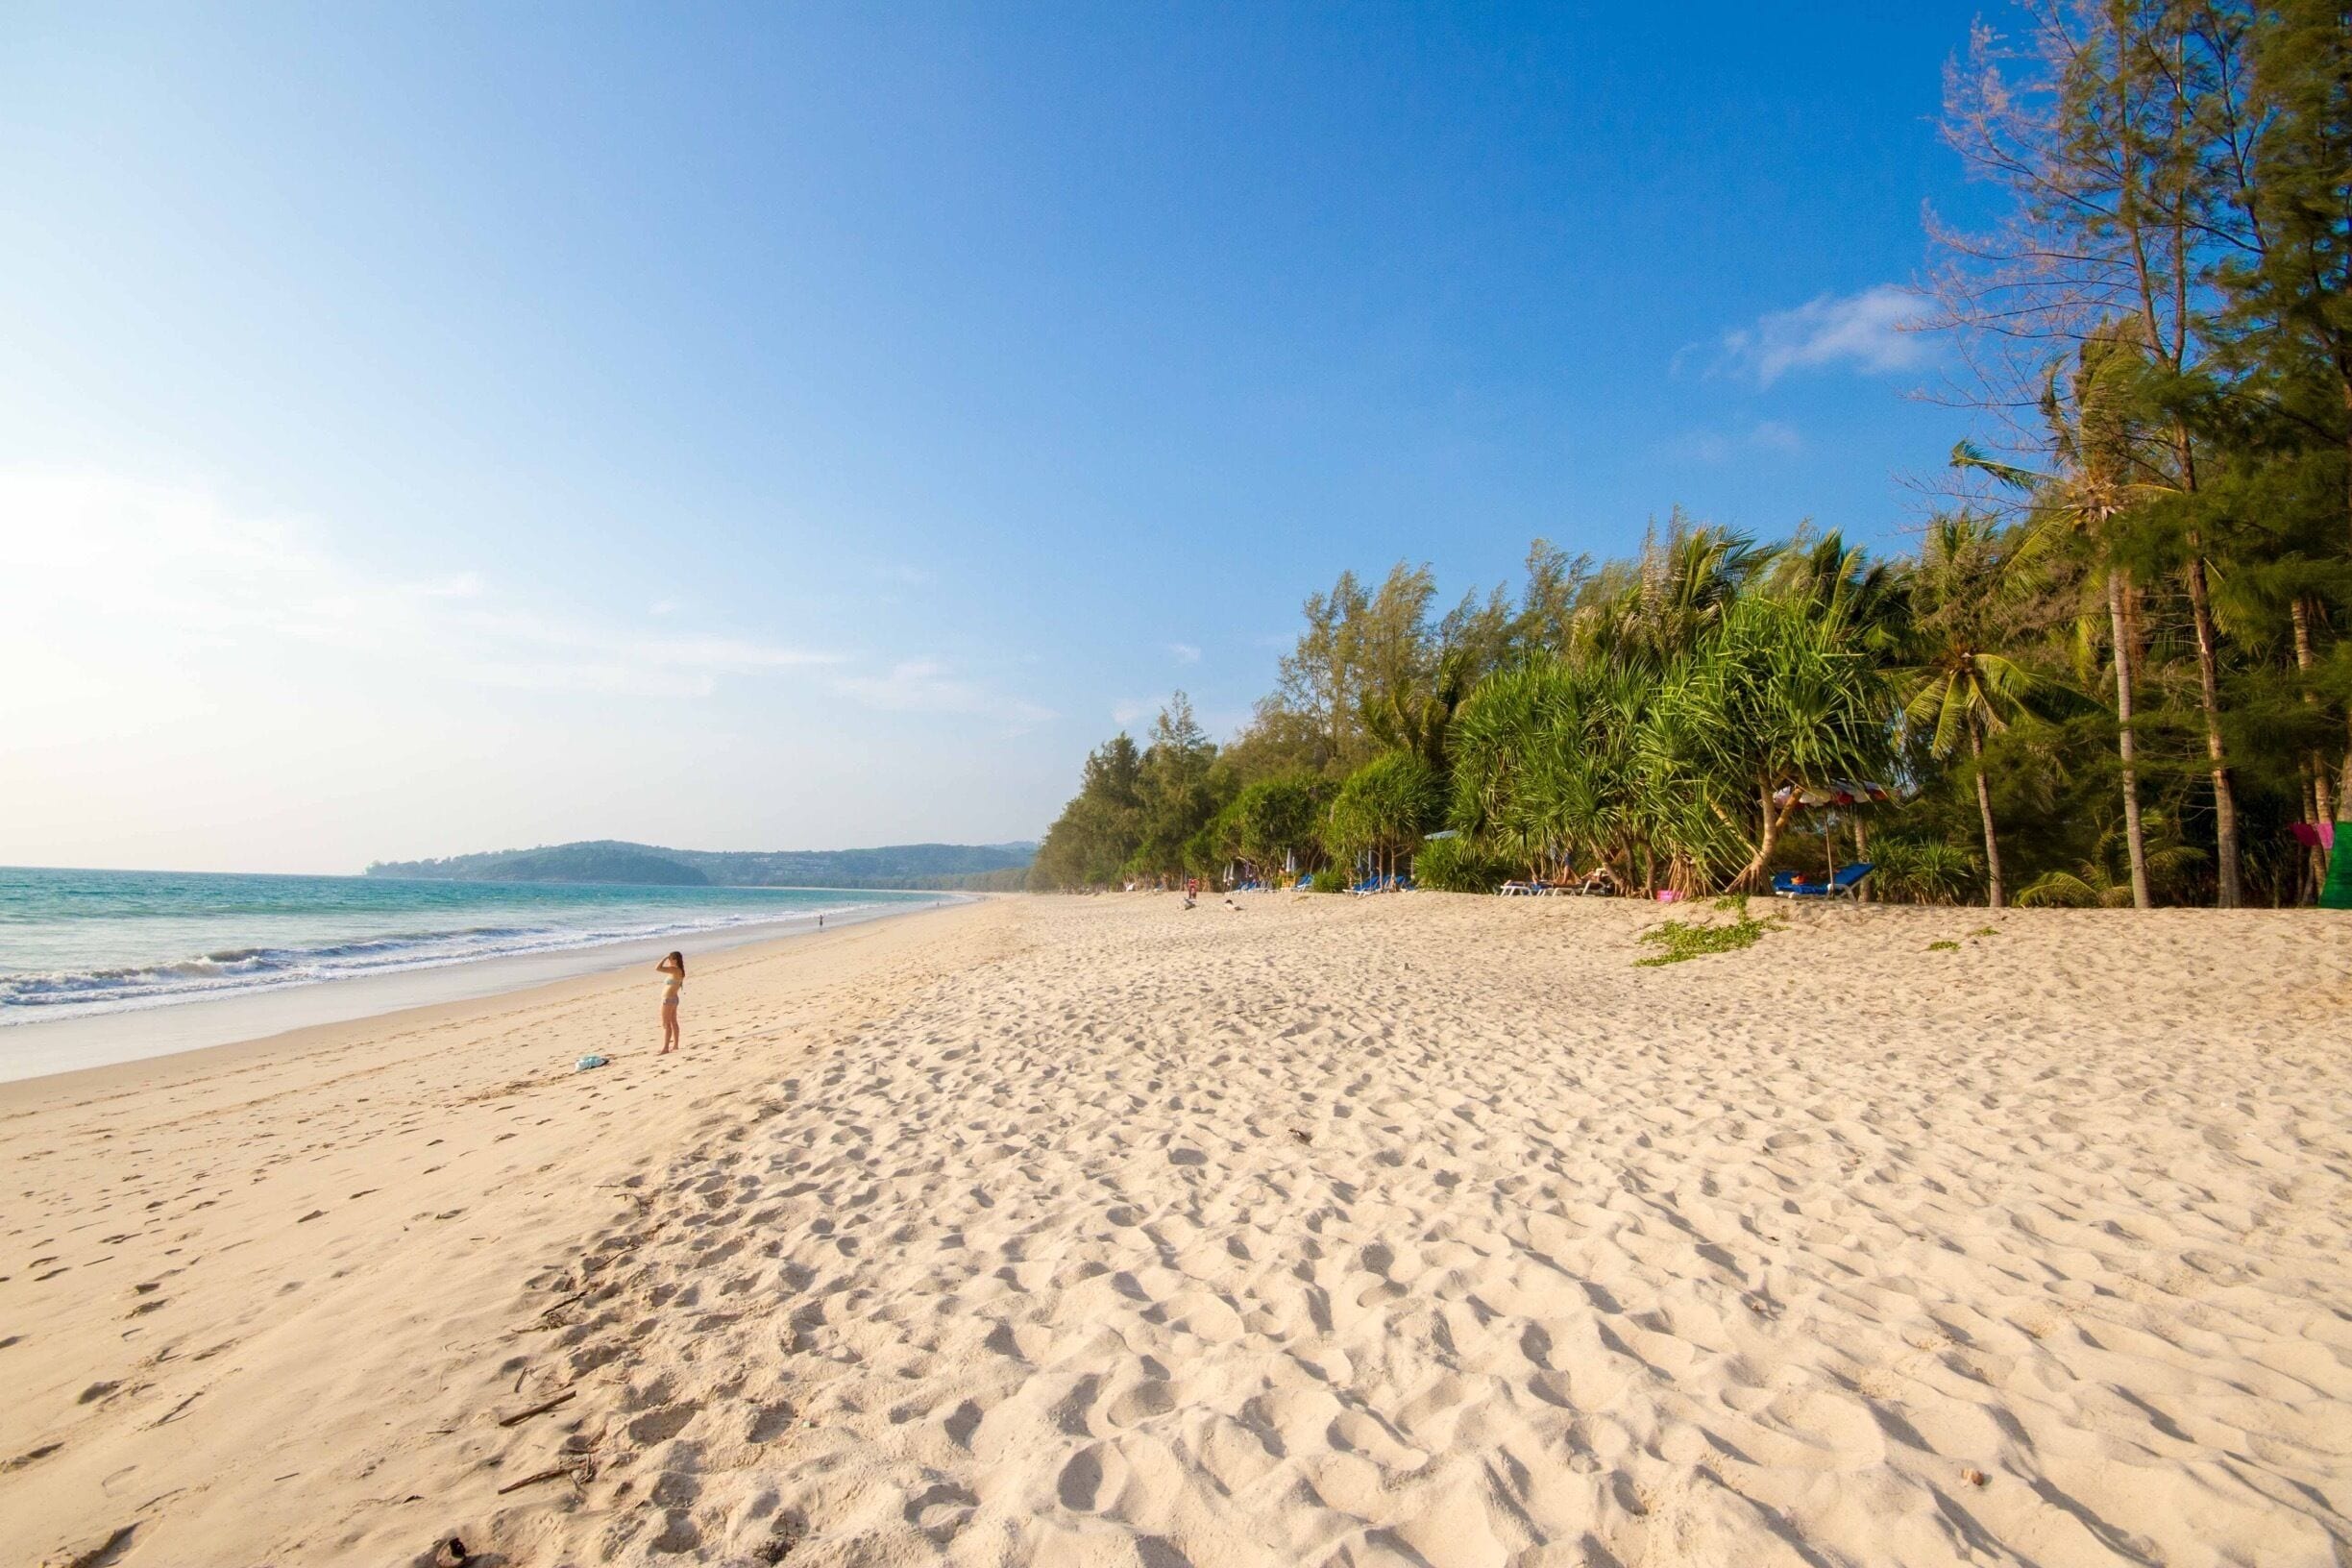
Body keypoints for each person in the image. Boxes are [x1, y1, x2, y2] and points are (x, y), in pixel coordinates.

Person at [656, 950, 685, 1053]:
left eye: (670, 959)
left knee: (666, 1024)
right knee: (673, 1022)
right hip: (674, 999)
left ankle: (665, 1048)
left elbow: (658, 968)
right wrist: (668, 959)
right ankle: (675, 1045)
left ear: (675, 960)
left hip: (668, 999)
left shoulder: (674, 970)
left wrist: (664, 958)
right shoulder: (680, 970)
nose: (669, 961)